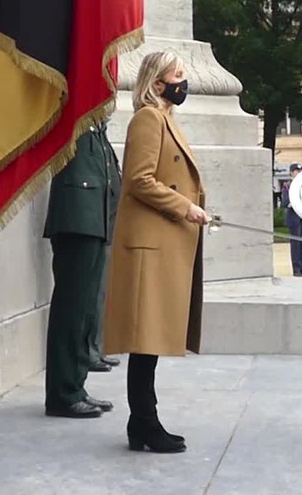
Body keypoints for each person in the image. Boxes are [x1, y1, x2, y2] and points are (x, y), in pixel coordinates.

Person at [103, 51, 208, 455]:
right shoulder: (148, 118)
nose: (184, 82)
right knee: (145, 341)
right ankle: (145, 421)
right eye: (177, 75)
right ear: (157, 82)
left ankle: (141, 422)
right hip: (151, 246)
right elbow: (139, 180)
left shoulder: (165, 118)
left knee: (149, 342)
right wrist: (185, 206)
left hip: (163, 242)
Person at [42, 119, 122, 419]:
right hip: (76, 217)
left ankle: (75, 387)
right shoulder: (74, 116)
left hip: (94, 219)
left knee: (85, 311)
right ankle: (62, 394)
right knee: (71, 311)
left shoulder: (95, 125)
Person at [280, 163, 302, 276]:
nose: (299, 173)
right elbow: (284, 202)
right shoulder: (288, 186)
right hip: (294, 217)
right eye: (297, 171)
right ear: (292, 173)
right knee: (296, 245)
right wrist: (295, 203)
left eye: (300, 171)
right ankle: (296, 268)